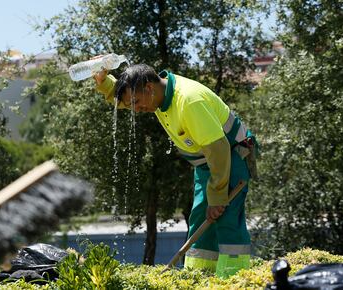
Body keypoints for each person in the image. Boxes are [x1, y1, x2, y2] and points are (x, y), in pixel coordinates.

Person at [93, 63, 257, 278]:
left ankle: (233, 279)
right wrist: (103, 82)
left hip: (232, 156)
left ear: (149, 88)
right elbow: (126, 96)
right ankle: (197, 278)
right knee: (200, 219)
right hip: (207, 162)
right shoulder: (154, 94)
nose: (136, 109)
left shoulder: (189, 101)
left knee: (226, 218)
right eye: (131, 105)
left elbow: (219, 150)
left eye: (137, 103)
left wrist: (217, 197)